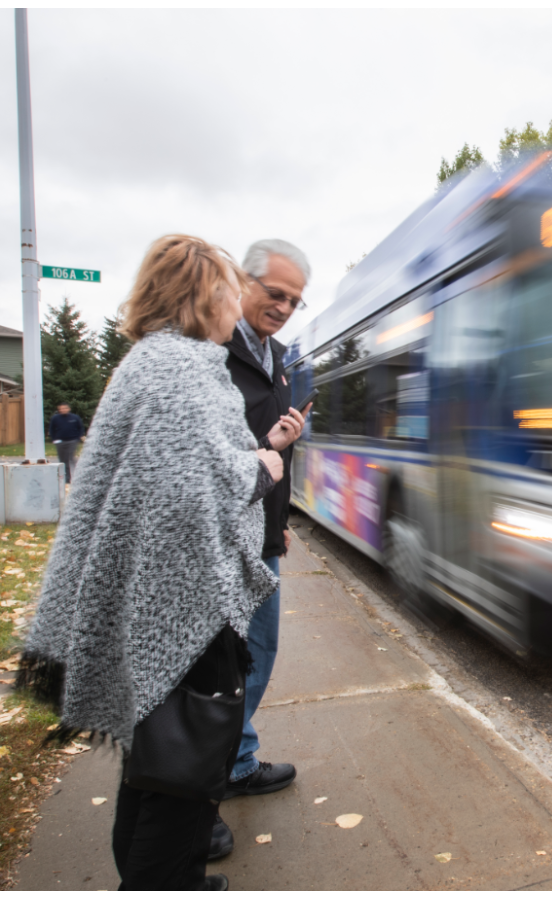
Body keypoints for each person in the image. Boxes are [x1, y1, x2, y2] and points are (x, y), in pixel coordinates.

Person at [19, 235, 297, 892]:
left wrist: (256, 451)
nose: (236, 303)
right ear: (205, 296)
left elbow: (173, 470)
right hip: (182, 612)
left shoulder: (149, 362)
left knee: (155, 764)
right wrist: (262, 467)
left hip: (150, 603)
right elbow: (190, 492)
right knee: (183, 777)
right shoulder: (186, 370)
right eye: (230, 290)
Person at [211, 239, 310, 860]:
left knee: (258, 656)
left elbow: (275, 445)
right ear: (242, 283)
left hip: (262, 529)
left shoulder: (275, 356)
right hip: (220, 537)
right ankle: (200, 787)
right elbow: (219, 451)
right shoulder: (213, 348)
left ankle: (237, 762)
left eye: (296, 300)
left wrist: (281, 518)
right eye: (276, 293)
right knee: (218, 669)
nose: (285, 307)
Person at [48, 402, 85, 484]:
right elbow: (51, 429)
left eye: (65, 408)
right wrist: (54, 439)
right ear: (59, 409)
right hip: (60, 441)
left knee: (70, 458)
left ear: (68, 409)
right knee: (63, 460)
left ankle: (76, 477)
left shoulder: (75, 418)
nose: (63, 410)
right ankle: (66, 479)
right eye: (61, 409)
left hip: (72, 441)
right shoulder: (55, 418)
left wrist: (78, 437)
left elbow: (80, 428)